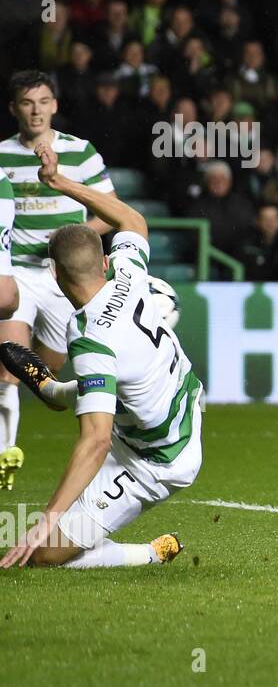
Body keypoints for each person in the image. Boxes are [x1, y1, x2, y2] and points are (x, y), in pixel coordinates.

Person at [0, 139, 201, 569]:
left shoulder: (90, 337)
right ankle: (52, 390)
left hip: (157, 459)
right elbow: (131, 218)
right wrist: (60, 182)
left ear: (54, 274)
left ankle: (151, 553)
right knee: (97, 387)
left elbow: (95, 441)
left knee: (43, 553)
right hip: (178, 403)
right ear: (105, 263)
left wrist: (44, 522)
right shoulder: (129, 273)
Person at [0, 70, 117, 491]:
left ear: (55, 105)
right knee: (8, 364)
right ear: (14, 108)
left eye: (43, 101)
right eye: (27, 103)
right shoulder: (1, 156)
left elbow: (109, 211)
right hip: (15, 273)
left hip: (61, 278)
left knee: (45, 374)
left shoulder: (79, 152)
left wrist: (72, 240)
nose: (36, 110)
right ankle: (4, 455)